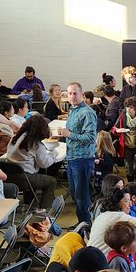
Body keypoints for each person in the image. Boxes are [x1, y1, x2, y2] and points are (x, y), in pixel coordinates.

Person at [61, 82, 98, 225]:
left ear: (82, 94)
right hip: (71, 157)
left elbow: (90, 138)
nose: (72, 96)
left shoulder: (87, 113)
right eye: (69, 93)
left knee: (82, 196)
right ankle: (81, 223)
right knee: (75, 193)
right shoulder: (73, 110)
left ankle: (85, 225)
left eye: (75, 93)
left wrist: (69, 134)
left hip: (82, 159)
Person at [5, 113, 59, 210]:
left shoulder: (15, 138)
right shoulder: (35, 144)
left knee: (32, 174)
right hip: (25, 178)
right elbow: (45, 164)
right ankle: (43, 210)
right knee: (51, 181)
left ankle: (29, 204)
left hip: (9, 176)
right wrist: (53, 152)